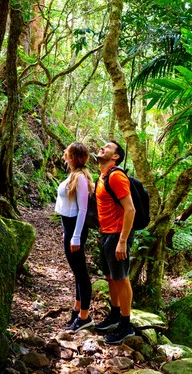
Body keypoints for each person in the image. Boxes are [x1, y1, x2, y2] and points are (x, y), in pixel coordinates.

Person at [93, 140, 137, 344]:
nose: (102, 147)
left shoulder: (117, 176)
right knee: (111, 277)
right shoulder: (102, 176)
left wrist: (122, 241)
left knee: (122, 278)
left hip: (118, 235)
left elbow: (130, 210)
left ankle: (126, 326)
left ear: (116, 156)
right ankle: (115, 314)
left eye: (108, 147)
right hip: (107, 234)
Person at [55, 142, 95, 332]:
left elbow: (83, 209)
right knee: (77, 272)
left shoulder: (80, 178)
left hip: (75, 228)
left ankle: (84, 317)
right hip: (69, 227)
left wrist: (76, 236)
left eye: (68, 154)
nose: (65, 156)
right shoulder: (74, 175)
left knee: (81, 273)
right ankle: (77, 309)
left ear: (73, 157)